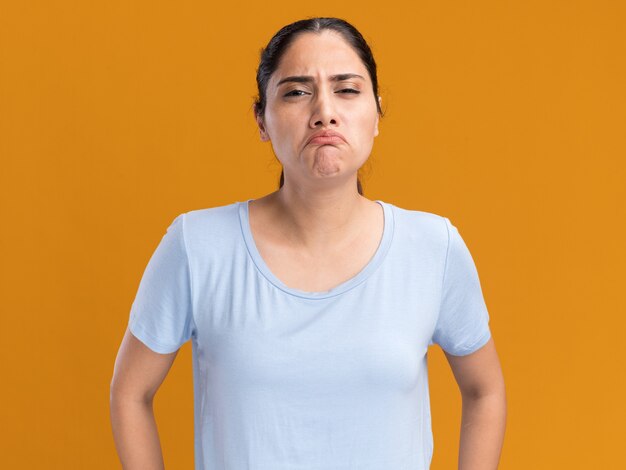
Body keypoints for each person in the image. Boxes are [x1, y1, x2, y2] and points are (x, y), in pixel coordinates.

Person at [110, 17, 506, 470]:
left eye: (347, 89)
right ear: (261, 119)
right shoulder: (197, 246)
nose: (325, 111)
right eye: (297, 92)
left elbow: (485, 390)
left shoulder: (435, 248)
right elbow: (129, 392)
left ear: (377, 113)